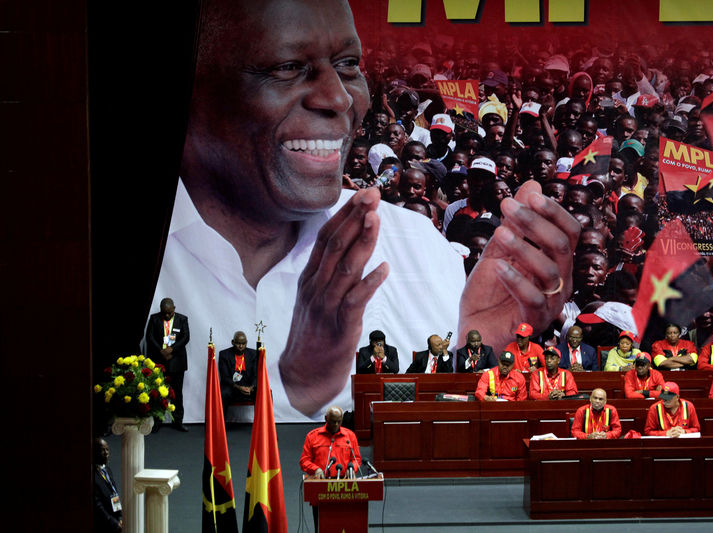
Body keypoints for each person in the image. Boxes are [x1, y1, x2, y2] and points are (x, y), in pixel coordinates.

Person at [150, 0, 579, 422]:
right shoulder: (98, 268)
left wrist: (476, 345)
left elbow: (429, 451)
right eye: (287, 67)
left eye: (348, 64)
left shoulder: (418, 249)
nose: (338, 97)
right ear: (192, 85)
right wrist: (298, 388)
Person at [145, 297, 190, 431]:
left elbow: (186, 337)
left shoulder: (182, 319)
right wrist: (161, 351)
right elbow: (149, 337)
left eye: (169, 313)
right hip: (159, 361)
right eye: (164, 312)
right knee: (157, 393)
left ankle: (178, 421)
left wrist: (172, 349)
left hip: (177, 361)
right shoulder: (154, 319)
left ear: (174, 309)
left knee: (177, 393)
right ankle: (157, 422)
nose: (167, 315)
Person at [300, 406, 361, 478]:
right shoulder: (312, 436)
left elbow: (356, 459)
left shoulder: (350, 436)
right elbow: (304, 461)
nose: (336, 425)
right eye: (333, 421)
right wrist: (315, 469)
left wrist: (351, 468)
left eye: (339, 421)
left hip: (344, 480)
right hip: (321, 480)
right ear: (326, 419)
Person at [218, 331, 258, 417]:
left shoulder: (253, 354)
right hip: (232, 386)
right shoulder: (224, 354)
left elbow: (256, 375)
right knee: (223, 393)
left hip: (249, 386)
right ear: (233, 342)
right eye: (238, 343)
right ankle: (221, 426)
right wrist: (239, 387)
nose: (241, 346)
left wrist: (251, 387)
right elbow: (225, 377)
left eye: (243, 343)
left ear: (246, 343)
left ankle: (262, 425)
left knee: (266, 393)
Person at [93, 437, 122, 533]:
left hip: (115, 520)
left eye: (107, 449)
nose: (106, 453)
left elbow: (114, 493)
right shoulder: (93, 475)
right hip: (103, 525)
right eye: (102, 450)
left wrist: (119, 517)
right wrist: (113, 523)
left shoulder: (107, 470)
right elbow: (97, 506)